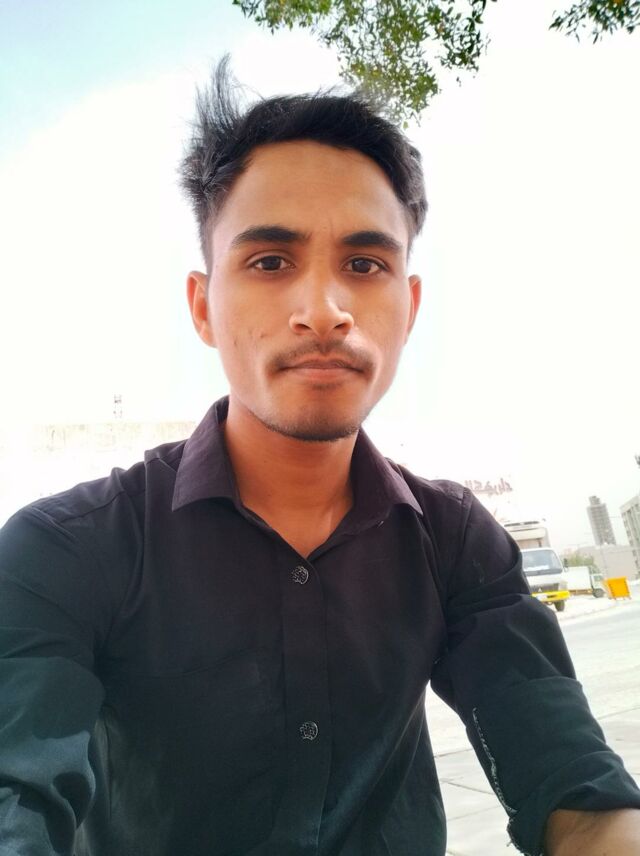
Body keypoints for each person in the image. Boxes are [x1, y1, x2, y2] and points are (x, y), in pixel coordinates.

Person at [1, 59, 639, 856]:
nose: (325, 310)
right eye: (270, 262)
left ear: (409, 306)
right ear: (203, 306)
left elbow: (574, 791)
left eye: (365, 265)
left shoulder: (456, 542)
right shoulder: (68, 549)